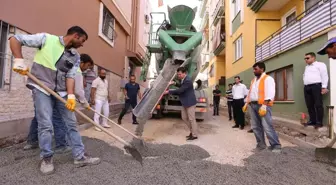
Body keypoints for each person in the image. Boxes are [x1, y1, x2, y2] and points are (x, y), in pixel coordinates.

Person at [10, 26, 100, 175]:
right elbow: (15, 39)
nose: (82, 44)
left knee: (71, 124)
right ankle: (46, 158)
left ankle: (79, 156)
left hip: (62, 92)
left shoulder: (75, 56)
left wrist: (71, 96)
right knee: (45, 124)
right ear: (75, 36)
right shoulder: (46, 39)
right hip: (41, 87)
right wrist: (18, 59)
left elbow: (70, 76)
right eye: (82, 40)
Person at [244, 62, 281, 152]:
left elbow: (270, 93)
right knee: (256, 126)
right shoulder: (253, 80)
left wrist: (264, 105)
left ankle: (276, 146)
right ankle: (261, 145)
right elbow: (251, 93)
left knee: (267, 126)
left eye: (255, 69)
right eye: (253, 69)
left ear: (262, 69)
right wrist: (246, 102)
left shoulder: (268, 79)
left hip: (263, 105)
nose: (254, 71)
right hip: (252, 105)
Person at [164, 67, 198, 141]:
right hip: (185, 102)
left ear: (184, 73)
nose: (178, 76)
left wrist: (169, 91)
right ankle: (192, 131)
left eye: (179, 74)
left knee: (192, 119)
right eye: (178, 74)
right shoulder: (184, 80)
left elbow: (181, 90)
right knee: (184, 117)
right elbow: (181, 86)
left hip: (190, 103)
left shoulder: (188, 80)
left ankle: (194, 134)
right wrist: (175, 83)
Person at [303, 52, 328, 128]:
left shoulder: (320, 65)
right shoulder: (306, 67)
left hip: (316, 86)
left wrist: (324, 87)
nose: (306, 60)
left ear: (313, 58)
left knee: (318, 104)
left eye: (307, 58)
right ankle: (312, 121)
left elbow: (324, 75)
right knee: (309, 105)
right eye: (305, 58)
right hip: (307, 87)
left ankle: (319, 122)